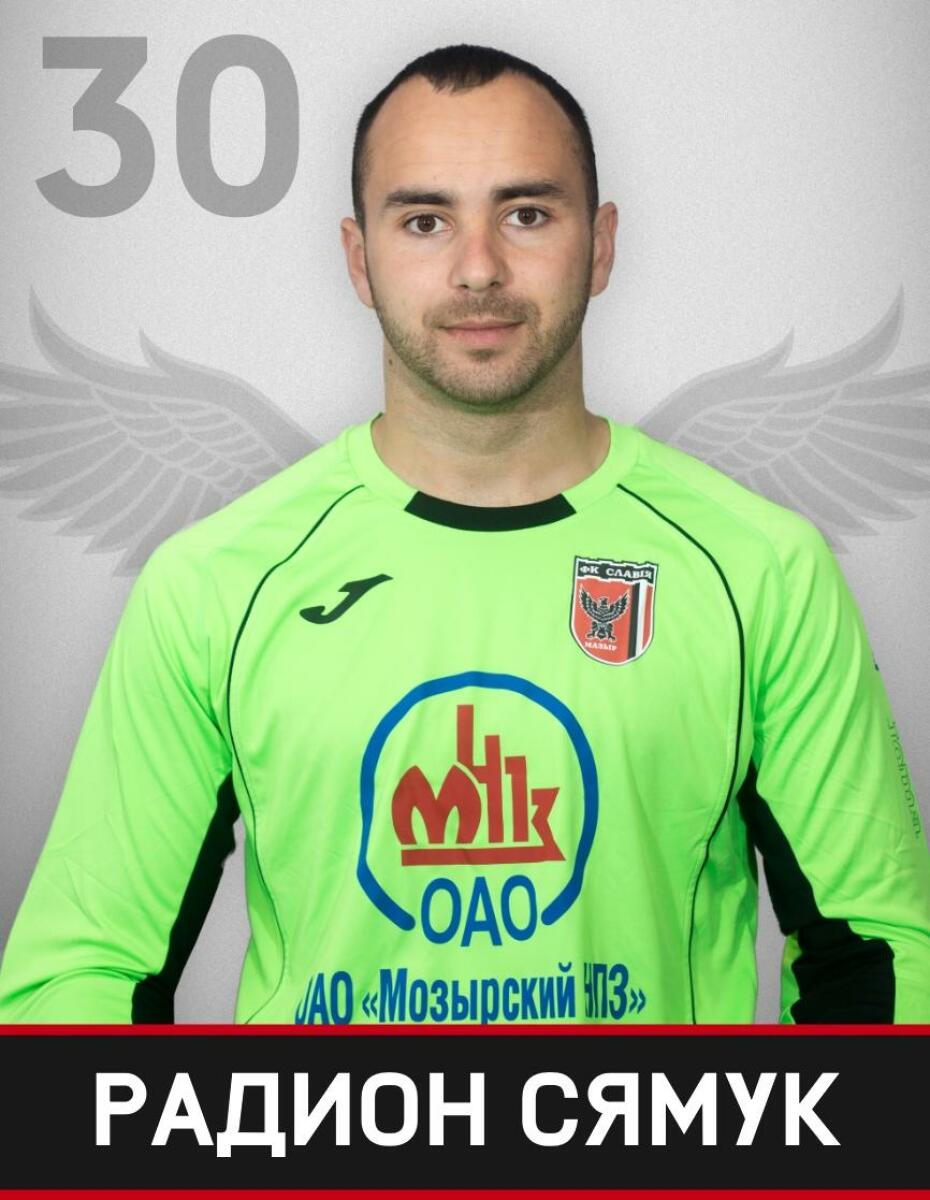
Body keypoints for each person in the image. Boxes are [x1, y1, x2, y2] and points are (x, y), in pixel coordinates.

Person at [1, 43, 928, 1025]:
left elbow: (878, 961)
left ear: (600, 244)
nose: (478, 267)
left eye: (526, 213)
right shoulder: (213, 585)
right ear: (359, 259)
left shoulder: (762, 571)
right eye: (425, 220)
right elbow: (79, 977)